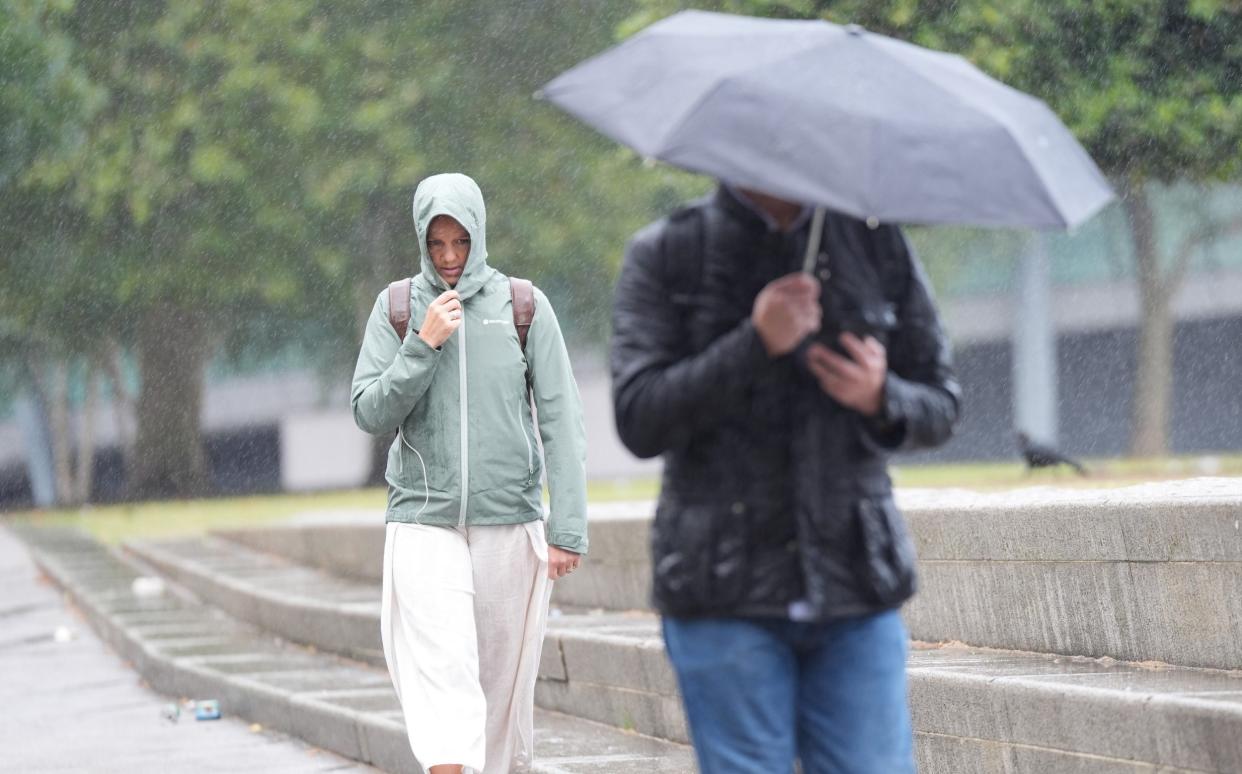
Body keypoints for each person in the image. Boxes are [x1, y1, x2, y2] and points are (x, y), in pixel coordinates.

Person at [610, 183, 960, 773]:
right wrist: (755, 342)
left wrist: (882, 395)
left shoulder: (875, 244)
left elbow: (941, 403)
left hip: (854, 584)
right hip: (722, 592)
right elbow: (639, 417)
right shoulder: (671, 251)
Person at [351, 173, 587, 774]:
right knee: (444, 671)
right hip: (423, 519)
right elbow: (370, 410)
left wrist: (568, 525)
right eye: (437, 245)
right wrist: (422, 346)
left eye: (460, 242)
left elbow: (561, 415)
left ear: (478, 234)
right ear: (421, 242)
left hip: (508, 518)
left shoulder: (522, 304)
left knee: (498, 684)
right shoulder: (398, 308)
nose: (450, 258)